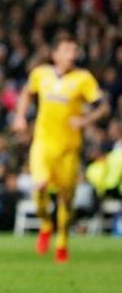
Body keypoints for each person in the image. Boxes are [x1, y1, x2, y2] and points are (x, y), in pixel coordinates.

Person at [13, 36, 109, 262]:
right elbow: (27, 93)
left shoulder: (83, 78)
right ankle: (46, 224)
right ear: (55, 54)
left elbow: (103, 106)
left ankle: (63, 240)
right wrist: (19, 117)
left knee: (66, 199)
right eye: (66, 50)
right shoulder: (40, 74)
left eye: (74, 50)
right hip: (43, 143)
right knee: (40, 185)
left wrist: (85, 121)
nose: (72, 54)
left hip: (69, 148)